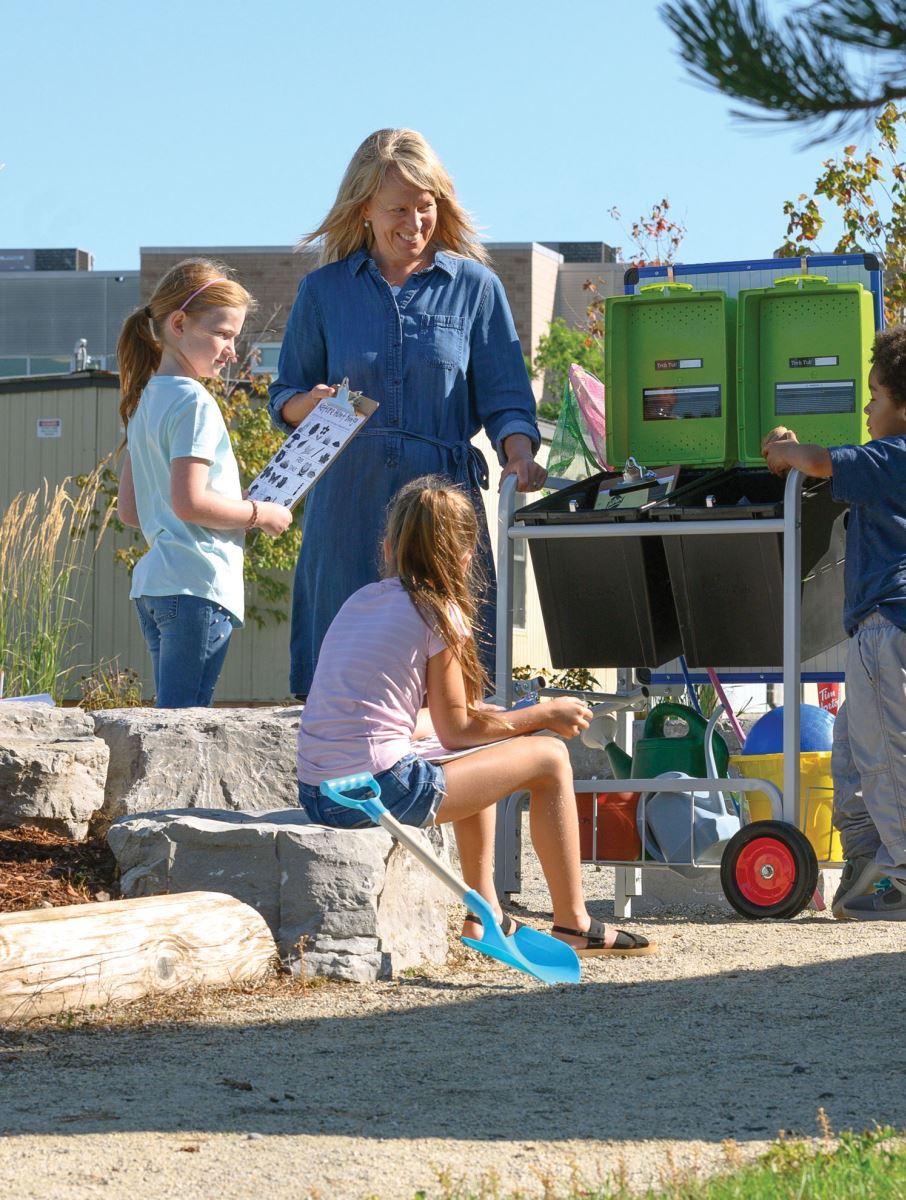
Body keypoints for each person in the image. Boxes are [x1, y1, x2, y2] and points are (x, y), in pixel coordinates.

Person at [296, 475, 656, 957]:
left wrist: (495, 722)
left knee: (485, 744)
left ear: (389, 546)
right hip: (379, 792)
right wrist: (543, 714)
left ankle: (484, 912)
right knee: (550, 758)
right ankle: (574, 922)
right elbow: (459, 731)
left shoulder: (360, 602)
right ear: (465, 558)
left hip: (320, 794)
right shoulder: (438, 612)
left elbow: (404, 720)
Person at [268, 128, 545, 699]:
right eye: (398, 208)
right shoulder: (322, 292)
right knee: (342, 680)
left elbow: (507, 399)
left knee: (453, 681)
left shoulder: (477, 288)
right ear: (364, 209)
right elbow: (283, 395)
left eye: (426, 206)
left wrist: (518, 455)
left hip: (441, 506)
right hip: (346, 504)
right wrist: (306, 404)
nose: (415, 223)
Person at [762, 322, 906, 921]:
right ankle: (870, 862)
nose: (866, 408)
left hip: (891, 627)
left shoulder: (903, 454)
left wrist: (786, 450)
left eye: (875, 396)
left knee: (890, 755)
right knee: (858, 751)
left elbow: (823, 462)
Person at [116, 259, 293, 707]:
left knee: (169, 718)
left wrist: (228, 502)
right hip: (197, 585)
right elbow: (191, 503)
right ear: (178, 324)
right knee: (182, 726)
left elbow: (131, 510)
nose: (232, 351)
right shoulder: (194, 402)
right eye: (223, 334)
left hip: (155, 587)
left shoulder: (143, 400)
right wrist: (260, 513)